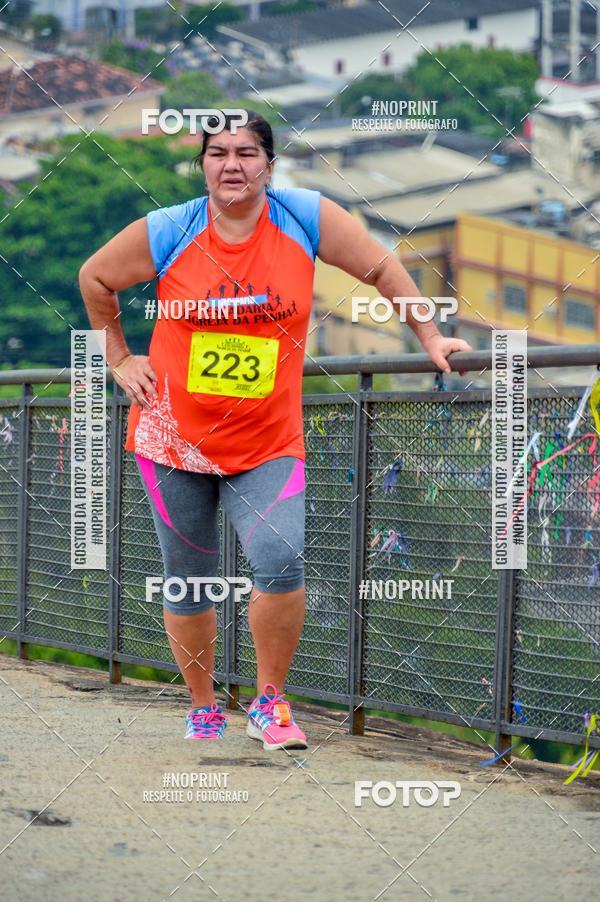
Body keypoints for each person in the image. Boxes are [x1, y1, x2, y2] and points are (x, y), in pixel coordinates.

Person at [79, 109, 472, 750]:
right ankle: (203, 704)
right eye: (217, 153)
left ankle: (268, 701)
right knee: (189, 577)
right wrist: (120, 357)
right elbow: (95, 277)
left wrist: (428, 334)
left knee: (281, 559)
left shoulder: (304, 217)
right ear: (203, 163)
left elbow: (382, 267)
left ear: (269, 163)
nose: (231, 165)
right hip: (173, 436)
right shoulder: (171, 228)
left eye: (246, 153)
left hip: (266, 439)